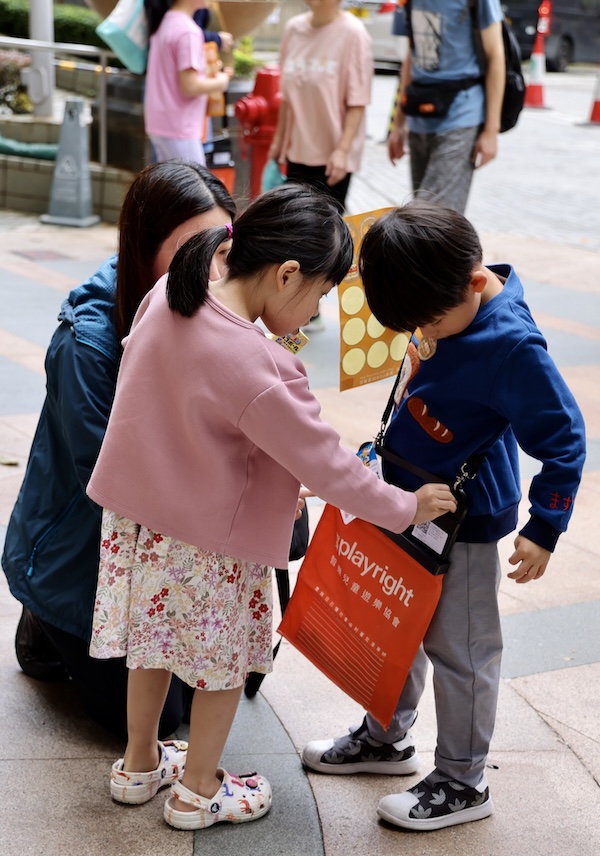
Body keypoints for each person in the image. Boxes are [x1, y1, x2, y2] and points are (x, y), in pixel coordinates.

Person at [84, 183, 457, 830]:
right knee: (220, 666)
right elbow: (331, 468)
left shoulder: (176, 287)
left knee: (151, 649)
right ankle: (199, 791)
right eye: (317, 296)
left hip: (140, 525)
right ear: (286, 274)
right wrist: (407, 506)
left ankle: (138, 765)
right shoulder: (257, 366)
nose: (313, 314)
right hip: (211, 548)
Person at [302, 201, 586, 831]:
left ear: (476, 283)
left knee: (460, 651)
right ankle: (386, 738)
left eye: (428, 322)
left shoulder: (512, 346)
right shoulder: (438, 294)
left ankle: (464, 779)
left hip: (463, 520)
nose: (421, 333)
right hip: (406, 499)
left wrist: (545, 528)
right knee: (395, 627)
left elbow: (565, 437)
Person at [2, 161, 236, 739]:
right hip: (79, 556)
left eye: (223, 246)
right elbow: (113, 483)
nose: (212, 269)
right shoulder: (88, 345)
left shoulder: (206, 308)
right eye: (190, 248)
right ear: (143, 247)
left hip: (150, 554)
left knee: (197, 682)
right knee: (160, 721)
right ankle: (44, 620)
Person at [268, 0, 373, 331]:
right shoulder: (294, 29)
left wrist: (342, 150)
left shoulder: (353, 33)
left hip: (332, 154)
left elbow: (358, 101)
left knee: (324, 234)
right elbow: (287, 96)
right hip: (299, 147)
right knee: (297, 230)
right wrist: (279, 139)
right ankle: (295, 307)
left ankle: (310, 305)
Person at [387, 0, 506, 214]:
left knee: (429, 216)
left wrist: (491, 130)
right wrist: (398, 124)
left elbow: (495, 55)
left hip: (461, 112)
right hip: (419, 114)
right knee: (431, 218)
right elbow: (411, 56)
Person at [143, 0, 232, 164]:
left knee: (169, 186)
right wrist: (222, 81)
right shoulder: (188, 31)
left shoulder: (166, 21)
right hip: (179, 126)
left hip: (161, 123)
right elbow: (190, 86)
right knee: (194, 185)